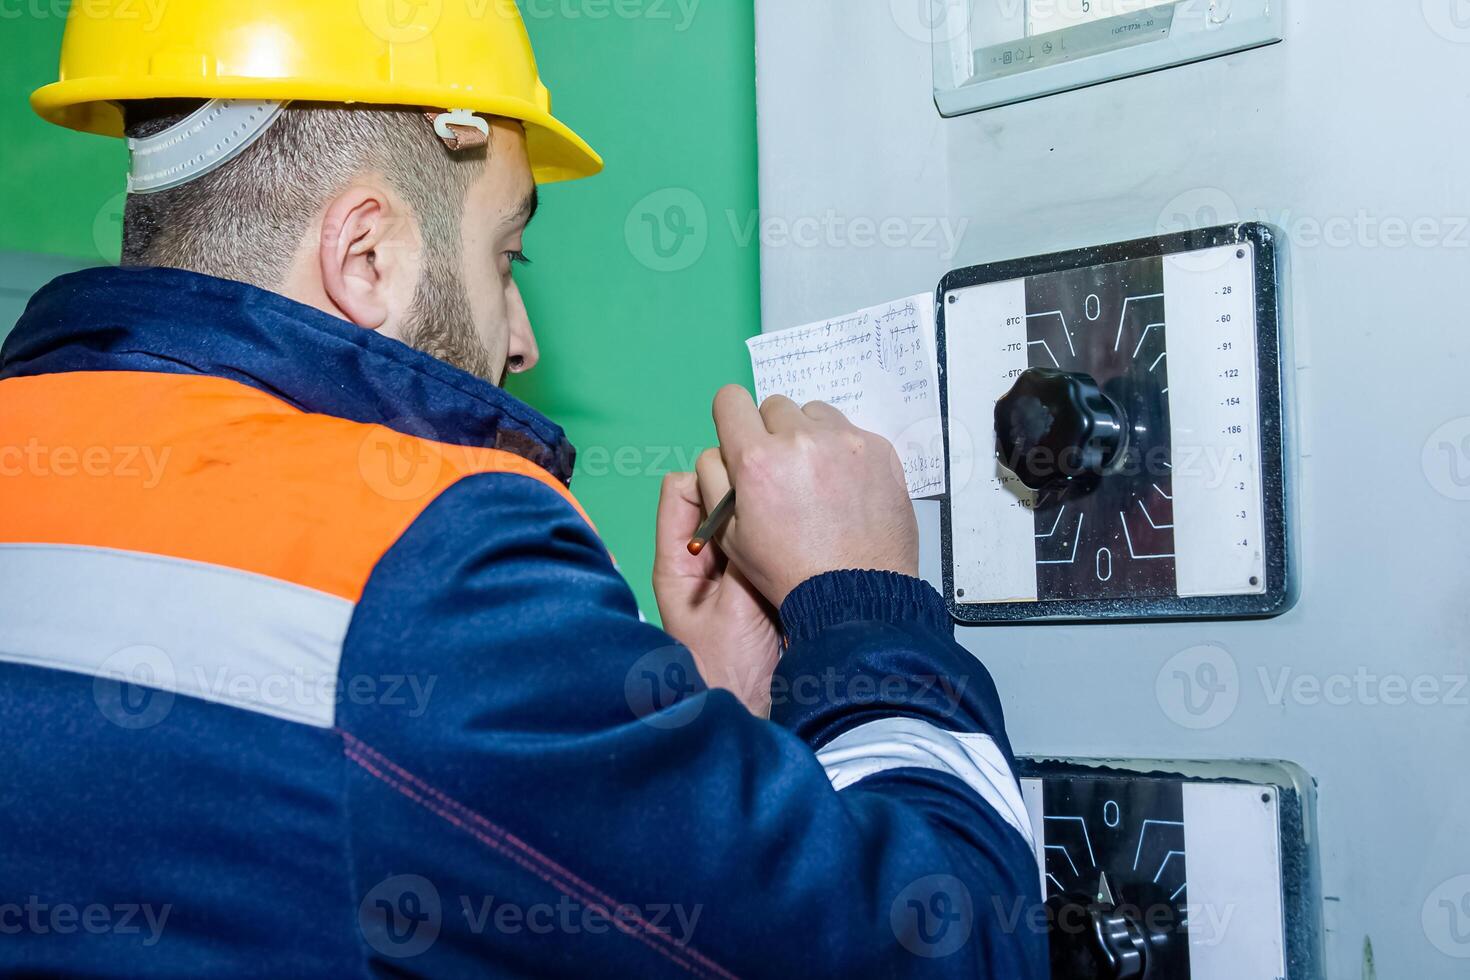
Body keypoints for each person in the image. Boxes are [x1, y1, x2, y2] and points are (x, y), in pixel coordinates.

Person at [0, 3, 1045, 976]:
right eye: (507, 255)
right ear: (366, 254)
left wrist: (681, 733)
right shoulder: (427, 564)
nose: (522, 339)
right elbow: (951, 937)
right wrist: (862, 598)